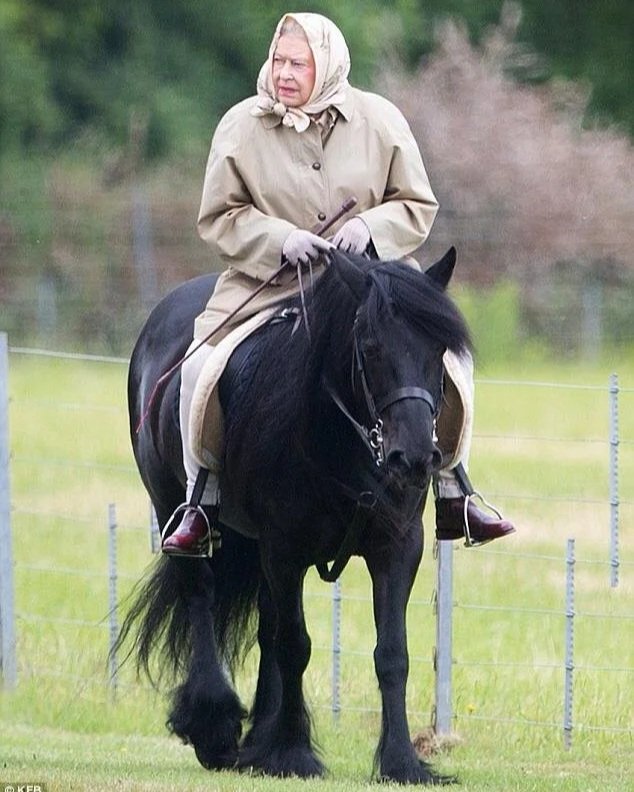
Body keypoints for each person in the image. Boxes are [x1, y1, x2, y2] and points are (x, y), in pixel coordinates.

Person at [161, 12, 515, 556]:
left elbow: (417, 204)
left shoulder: (380, 120)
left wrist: (368, 228)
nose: (283, 73)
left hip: (372, 288)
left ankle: (452, 489)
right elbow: (218, 217)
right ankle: (201, 500)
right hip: (272, 283)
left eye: (297, 63)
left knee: (449, 363)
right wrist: (280, 239)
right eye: (278, 59)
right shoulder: (240, 126)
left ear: (326, 64)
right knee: (200, 368)